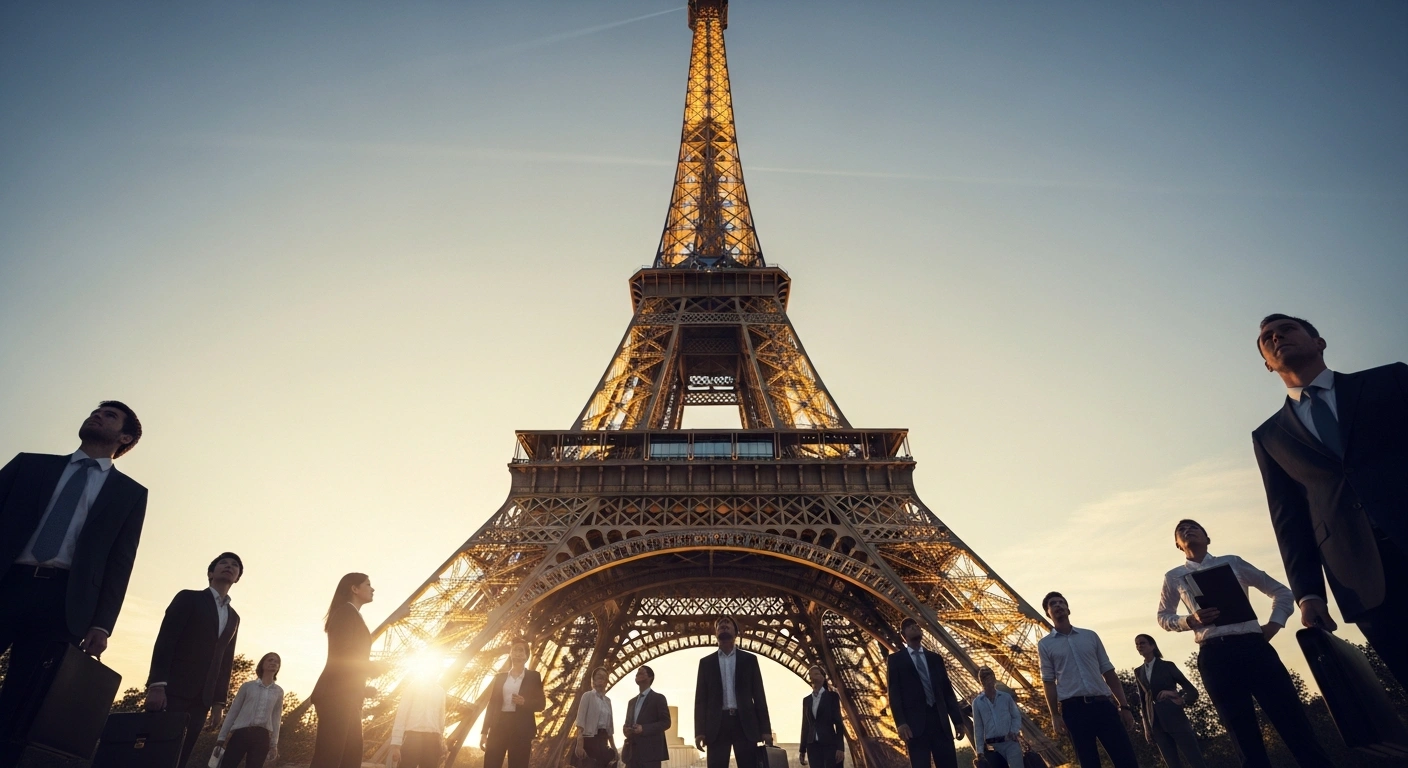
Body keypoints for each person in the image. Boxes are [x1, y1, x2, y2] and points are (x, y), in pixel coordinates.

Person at [1252, 314, 1408, 687]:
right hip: (1361, 578)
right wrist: (1308, 594)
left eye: (1287, 329)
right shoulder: (1270, 436)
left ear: (1319, 342)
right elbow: (1289, 520)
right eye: (1267, 339)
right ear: (1267, 364)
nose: (1276, 338)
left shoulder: (1390, 380)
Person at [0, 402, 147, 768]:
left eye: (110, 416)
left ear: (125, 438)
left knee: (22, 700)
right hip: (7, 584)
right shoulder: (29, 465)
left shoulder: (130, 493)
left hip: (63, 602)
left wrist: (102, 623)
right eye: (97, 411)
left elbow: (120, 562)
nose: (97, 415)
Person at [1156, 519, 1332, 768]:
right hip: (1215, 657)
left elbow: (1281, 592)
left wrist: (1273, 625)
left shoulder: (1232, 562)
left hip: (1255, 649)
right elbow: (1163, 617)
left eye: (1194, 527)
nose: (1187, 530)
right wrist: (1190, 620)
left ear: (1208, 538)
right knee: (1242, 735)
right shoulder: (1174, 576)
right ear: (1178, 545)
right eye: (1181, 530)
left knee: (1295, 723)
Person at [146, 553, 244, 768]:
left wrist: (219, 702)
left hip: (203, 699)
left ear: (237, 578)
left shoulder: (234, 617)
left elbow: (225, 661)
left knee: (180, 757)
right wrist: (157, 684)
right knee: (155, 753)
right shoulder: (189, 598)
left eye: (235, 566)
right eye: (223, 563)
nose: (229, 566)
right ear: (211, 573)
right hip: (172, 691)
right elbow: (166, 640)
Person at [1036, 592, 1137, 768]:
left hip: (1103, 705)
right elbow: (1048, 681)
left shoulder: (1090, 636)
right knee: (1088, 763)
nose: (1058, 605)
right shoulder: (1045, 645)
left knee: (1126, 760)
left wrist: (1124, 705)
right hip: (1074, 710)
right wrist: (1054, 715)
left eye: (1062, 602)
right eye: (1053, 604)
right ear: (1048, 612)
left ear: (1068, 609)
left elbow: (1108, 672)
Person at [310, 573, 381, 768]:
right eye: (368, 584)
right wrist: (374, 667)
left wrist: (363, 689)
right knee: (331, 758)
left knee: (347, 758)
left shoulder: (351, 614)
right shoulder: (345, 613)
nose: (373, 588)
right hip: (336, 695)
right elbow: (343, 654)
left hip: (347, 695)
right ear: (354, 588)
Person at [885, 617, 970, 768]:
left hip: (940, 722)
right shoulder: (896, 660)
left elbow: (947, 691)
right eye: (909, 626)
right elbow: (894, 694)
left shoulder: (935, 659)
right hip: (914, 726)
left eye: (916, 625)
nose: (914, 627)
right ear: (903, 635)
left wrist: (957, 721)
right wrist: (901, 722)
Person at [694, 616, 771, 768]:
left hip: (745, 723)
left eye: (728, 623)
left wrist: (765, 730)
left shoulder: (750, 660)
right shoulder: (705, 663)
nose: (724, 625)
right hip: (717, 724)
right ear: (715, 633)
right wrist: (699, 731)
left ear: (736, 632)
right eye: (720, 624)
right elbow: (701, 700)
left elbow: (759, 695)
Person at [1132, 635, 1205, 768]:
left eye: (1142, 643)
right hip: (1156, 723)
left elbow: (1192, 691)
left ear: (1152, 646)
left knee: (1195, 760)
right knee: (1172, 764)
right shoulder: (1138, 671)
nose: (1139, 646)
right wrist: (1147, 727)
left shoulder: (1167, 666)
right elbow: (1143, 702)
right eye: (1137, 644)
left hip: (1175, 718)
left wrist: (1177, 696)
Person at [480, 638, 545, 768]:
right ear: (510, 653)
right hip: (499, 726)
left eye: (521, 650)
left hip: (521, 728)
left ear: (526, 656)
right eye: (515, 650)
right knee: (490, 764)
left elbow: (541, 704)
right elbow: (492, 705)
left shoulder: (534, 677)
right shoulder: (500, 678)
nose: (518, 653)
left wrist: (524, 702)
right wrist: (484, 732)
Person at [217, 652, 285, 768]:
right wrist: (221, 737)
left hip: (262, 737)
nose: (274, 663)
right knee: (227, 765)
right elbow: (233, 711)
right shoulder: (248, 686)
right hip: (241, 733)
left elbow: (276, 719)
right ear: (262, 664)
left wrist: (274, 744)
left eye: (277, 662)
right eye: (270, 660)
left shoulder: (278, 691)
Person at [390, 672, 446, 768]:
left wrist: (442, 742)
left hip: (433, 740)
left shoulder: (440, 691)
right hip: (413, 737)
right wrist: (396, 745)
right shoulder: (413, 687)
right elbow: (401, 714)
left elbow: (441, 718)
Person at [969, 667, 1021, 768]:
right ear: (981, 682)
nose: (988, 682)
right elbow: (978, 728)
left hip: (1010, 742)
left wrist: (1014, 731)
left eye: (989, 678)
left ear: (994, 678)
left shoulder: (1006, 698)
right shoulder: (977, 703)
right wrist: (979, 751)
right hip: (992, 747)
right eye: (984, 679)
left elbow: (1016, 716)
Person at [622, 665, 669, 768]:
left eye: (642, 673)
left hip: (650, 755)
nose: (638, 674)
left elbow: (666, 722)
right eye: (637, 673)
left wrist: (643, 729)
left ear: (650, 677)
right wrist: (626, 729)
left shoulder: (659, 698)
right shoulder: (631, 702)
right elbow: (627, 723)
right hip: (632, 754)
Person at [799, 665, 845, 768]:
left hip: (829, 744)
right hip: (812, 746)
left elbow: (839, 723)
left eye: (816, 674)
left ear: (823, 677)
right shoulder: (806, 700)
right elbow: (805, 725)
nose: (813, 677)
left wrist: (840, 748)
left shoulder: (832, 697)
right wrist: (802, 749)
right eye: (810, 675)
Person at [573, 667, 615, 768]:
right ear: (593, 680)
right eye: (599, 677)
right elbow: (580, 721)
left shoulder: (608, 701)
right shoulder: (587, 696)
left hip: (603, 742)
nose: (602, 679)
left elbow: (610, 728)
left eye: (605, 678)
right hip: (589, 742)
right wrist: (579, 744)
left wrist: (614, 749)